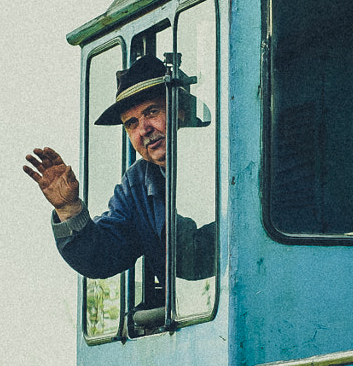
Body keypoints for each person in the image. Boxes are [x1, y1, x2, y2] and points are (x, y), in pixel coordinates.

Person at [24, 53, 213, 306]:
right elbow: (102, 256)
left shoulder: (222, 156)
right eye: (132, 124)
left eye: (152, 112)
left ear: (179, 109)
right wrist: (68, 209)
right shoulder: (137, 184)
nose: (144, 129)